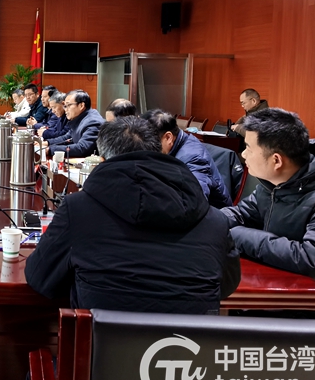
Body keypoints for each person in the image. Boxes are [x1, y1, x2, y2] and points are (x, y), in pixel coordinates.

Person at [26, 116, 241, 314]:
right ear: (160, 150)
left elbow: (39, 277)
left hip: (103, 343)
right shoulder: (214, 220)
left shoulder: (77, 209)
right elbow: (227, 284)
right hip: (189, 343)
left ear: (102, 160)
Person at [223, 108, 315, 319]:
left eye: (248, 148)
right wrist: (207, 222)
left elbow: (313, 258)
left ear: (276, 160)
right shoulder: (275, 182)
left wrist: (237, 235)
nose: (243, 155)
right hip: (279, 293)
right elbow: (242, 213)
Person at [141, 109, 231, 208]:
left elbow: (195, 204)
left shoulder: (193, 158)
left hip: (214, 212)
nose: (147, 149)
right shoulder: (176, 144)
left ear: (168, 137)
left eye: (150, 144)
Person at [44, 89, 104, 158]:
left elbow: (82, 148)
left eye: (68, 105)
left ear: (81, 106)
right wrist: (47, 143)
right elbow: (67, 137)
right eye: (65, 106)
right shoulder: (80, 118)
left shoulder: (93, 122)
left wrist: (50, 150)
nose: (65, 109)